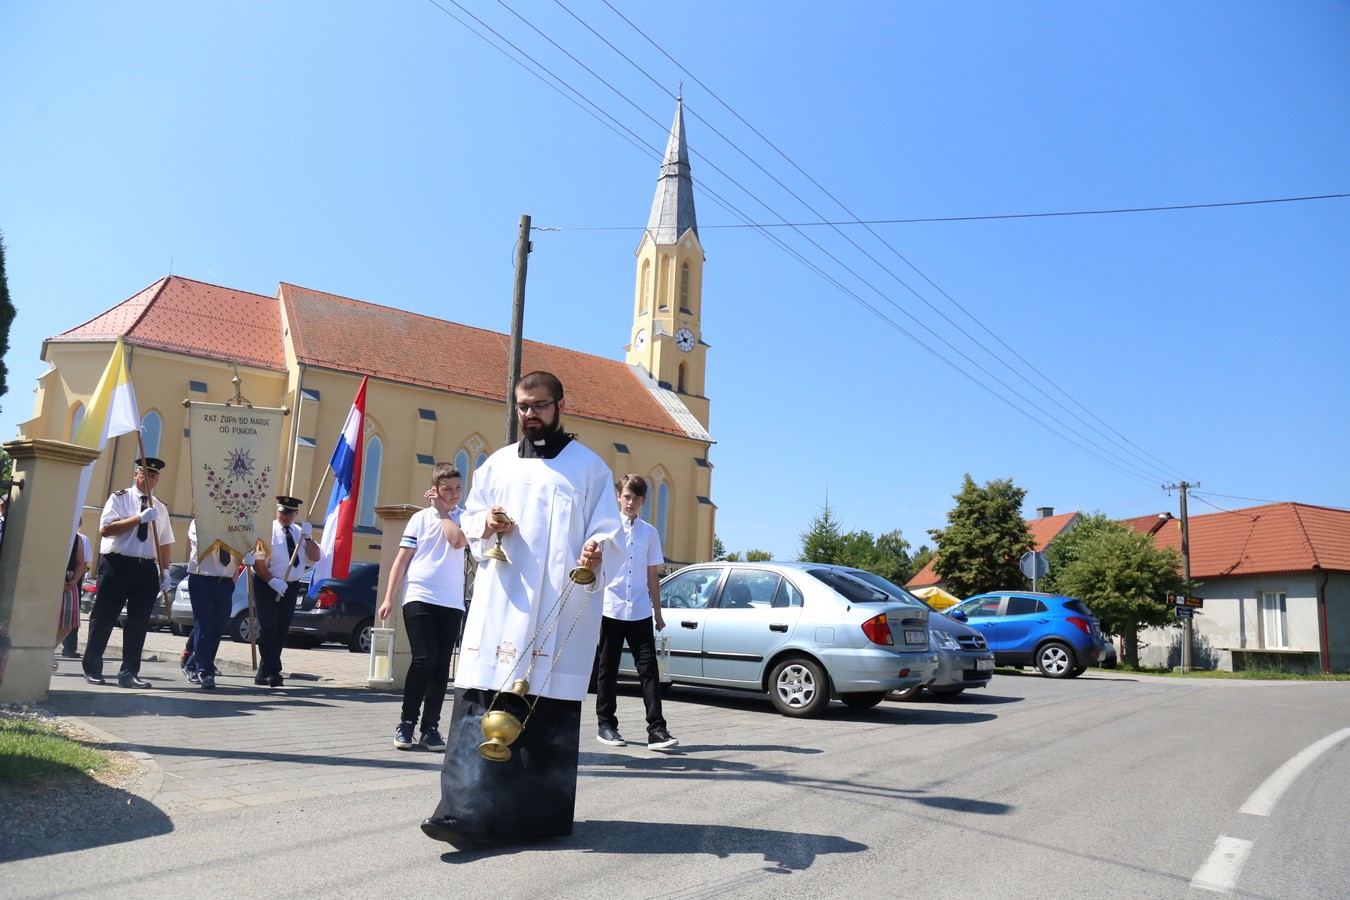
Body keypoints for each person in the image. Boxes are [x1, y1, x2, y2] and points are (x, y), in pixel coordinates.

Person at [421, 371, 621, 847]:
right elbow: (469, 518)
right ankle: (461, 814)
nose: (530, 414)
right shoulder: (497, 466)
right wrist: (485, 522)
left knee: (547, 716)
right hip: (503, 606)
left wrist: (596, 549)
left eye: (539, 406)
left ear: (560, 405)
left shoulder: (589, 469)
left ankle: (536, 819)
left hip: (558, 605)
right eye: (523, 406)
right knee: (478, 701)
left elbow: (608, 530)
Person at [377, 463, 468, 752]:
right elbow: (401, 560)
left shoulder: (464, 518)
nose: (454, 494)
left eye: (457, 488)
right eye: (447, 489)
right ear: (435, 490)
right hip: (419, 596)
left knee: (441, 666)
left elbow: (457, 542)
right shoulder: (419, 519)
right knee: (423, 659)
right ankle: (406, 723)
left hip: (451, 601)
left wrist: (444, 512)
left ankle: (430, 728)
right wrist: (389, 597)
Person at [594, 474, 678, 751]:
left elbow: (652, 573)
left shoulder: (649, 533)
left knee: (649, 671)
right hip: (611, 607)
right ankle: (606, 725)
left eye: (637, 498)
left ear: (643, 501)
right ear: (619, 496)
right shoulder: (607, 529)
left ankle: (657, 729)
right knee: (608, 668)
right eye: (627, 496)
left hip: (640, 610)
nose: (631, 502)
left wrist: (658, 612)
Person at [84, 457, 175, 688]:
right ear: (136, 475)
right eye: (146, 474)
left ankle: (129, 673)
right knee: (104, 617)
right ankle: (93, 668)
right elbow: (106, 529)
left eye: (154, 476)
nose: (150, 479)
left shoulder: (160, 507)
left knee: (138, 622)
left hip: (145, 567)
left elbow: (164, 542)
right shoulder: (120, 498)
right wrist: (138, 519)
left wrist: (165, 571)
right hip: (118, 564)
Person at [249, 495, 321, 687]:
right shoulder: (267, 531)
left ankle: (264, 672)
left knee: (280, 630)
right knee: (268, 628)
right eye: (282, 511)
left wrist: (309, 538)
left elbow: (316, 557)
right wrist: (272, 581)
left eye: (289, 513)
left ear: (296, 514)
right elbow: (257, 562)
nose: (285, 516)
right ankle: (274, 671)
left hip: (291, 586)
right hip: (267, 584)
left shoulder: (300, 533)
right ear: (277, 511)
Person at [182, 519, 243, 689]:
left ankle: (192, 664)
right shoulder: (199, 523)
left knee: (218, 627)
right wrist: (236, 542)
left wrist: (247, 554)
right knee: (203, 625)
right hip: (202, 579)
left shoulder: (237, 526)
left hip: (225, 582)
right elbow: (205, 543)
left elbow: (240, 553)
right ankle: (206, 672)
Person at [54, 532, 88, 672]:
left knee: (69, 622)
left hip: (69, 580)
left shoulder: (77, 538)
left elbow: (81, 562)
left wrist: (74, 581)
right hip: (50, 576)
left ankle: (48, 650)